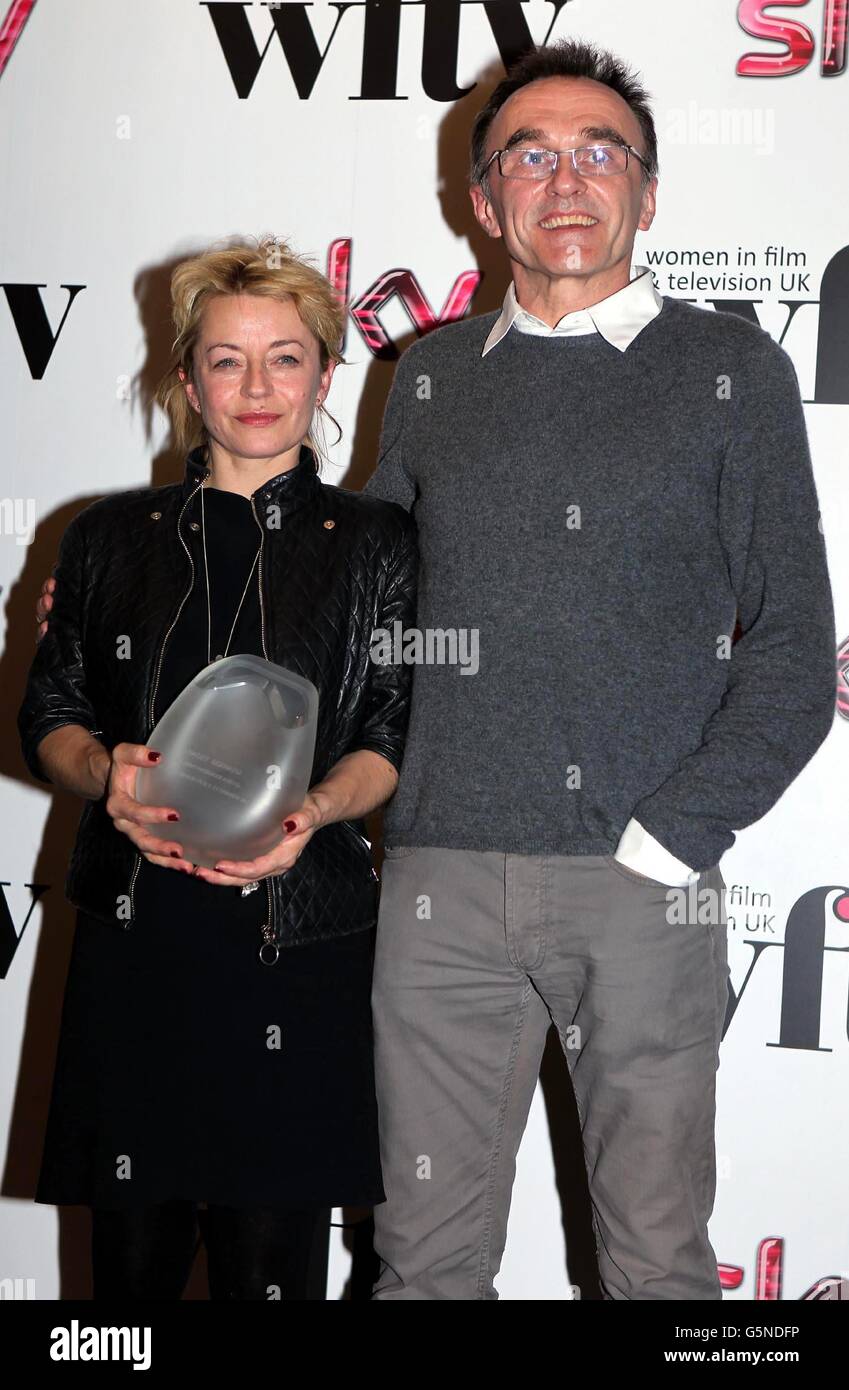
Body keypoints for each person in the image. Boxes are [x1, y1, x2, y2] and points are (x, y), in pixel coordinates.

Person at [359, 39, 836, 1298]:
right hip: (438, 888)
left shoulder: (733, 376)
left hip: (647, 889)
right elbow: (365, 619)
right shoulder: (430, 377)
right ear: (484, 201)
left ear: (649, 189)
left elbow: (794, 643)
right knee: (421, 1265)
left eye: (599, 151)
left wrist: (670, 837)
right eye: (530, 153)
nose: (565, 180)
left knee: (658, 1270)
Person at [18, 236, 418, 1300]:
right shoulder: (106, 537)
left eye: (285, 358)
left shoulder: (379, 544)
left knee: (270, 1269)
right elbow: (48, 714)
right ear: (187, 378)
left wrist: (314, 809)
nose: (256, 387)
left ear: (326, 376)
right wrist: (107, 775)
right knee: (125, 1287)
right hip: (140, 940)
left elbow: (390, 730)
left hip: (298, 938)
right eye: (228, 360)